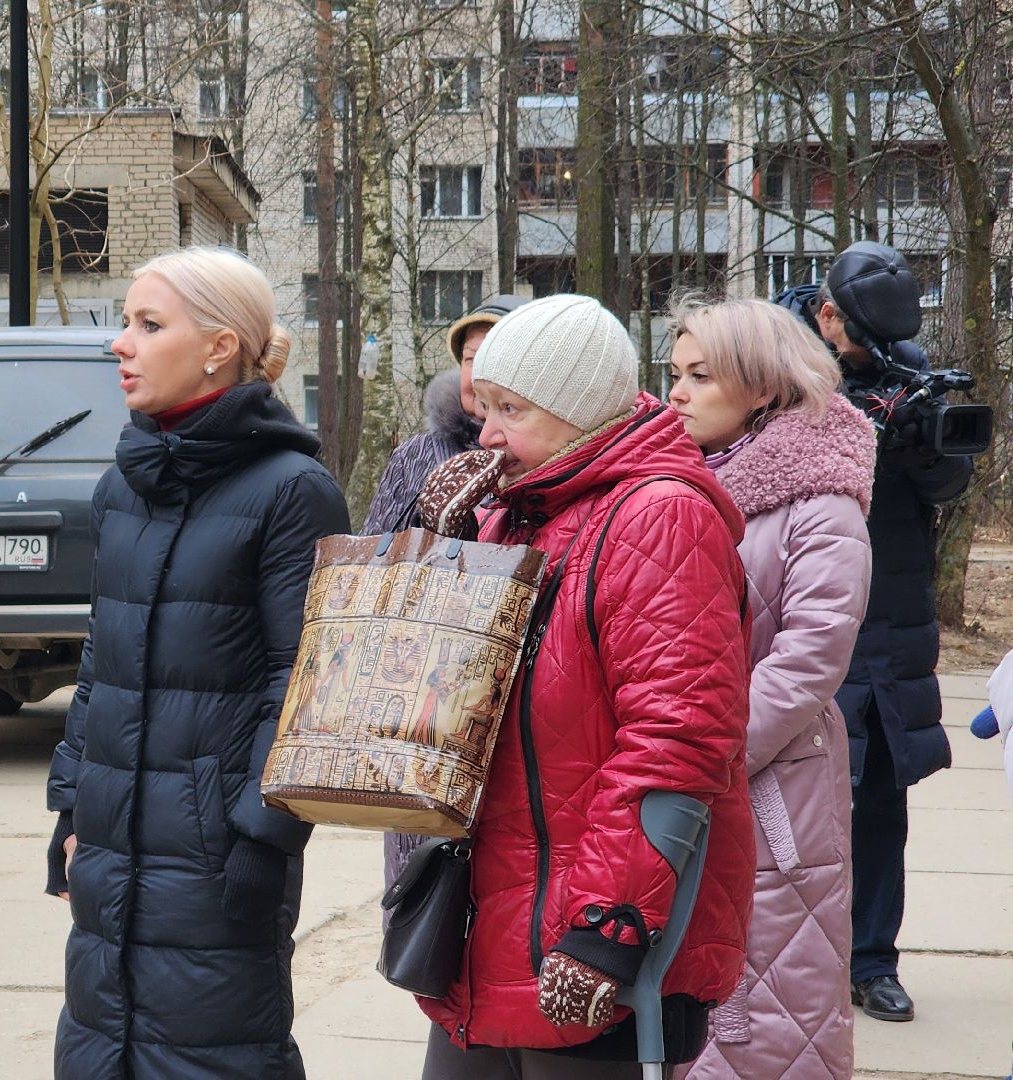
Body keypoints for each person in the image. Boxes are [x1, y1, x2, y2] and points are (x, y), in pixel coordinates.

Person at [416, 294, 753, 1079]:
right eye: (482, 406)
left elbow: (679, 739)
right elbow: (439, 695)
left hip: (589, 937)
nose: (486, 433)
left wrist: (609, 927)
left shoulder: (659, 516)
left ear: (577, 412)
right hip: (493, 920)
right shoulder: (515, 512)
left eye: (510, 408)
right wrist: (443, 548)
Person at [44, 246, 350, 1077]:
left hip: (218, 858)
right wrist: (73, 807)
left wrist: (263, 836)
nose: (122, 344)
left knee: (216, 1056)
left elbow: (307, 683)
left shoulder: (293, 489)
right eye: (124, 324)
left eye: (149, 325)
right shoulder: (121, 488)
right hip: (111, 847)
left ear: (218, 346)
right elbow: (102, 662)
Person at [667, 298, 874, 1079]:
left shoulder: (818, 499)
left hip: (769, 785)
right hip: (678, 776)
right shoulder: (674, 483)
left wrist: (704, 753)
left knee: (768, 1012)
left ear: (759, 387)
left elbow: (814, 652)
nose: (677, 393)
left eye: (699, 375)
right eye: (673, 374)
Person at [781, 242, 974, 1022]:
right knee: (793, 804)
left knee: (882, 800)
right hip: (805, 609)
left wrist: (922, 443)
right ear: (828, 316)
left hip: (889, 612)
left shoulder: (907, 367)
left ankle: (871, 961)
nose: (878, 354)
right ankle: (790, 959)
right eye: (865, 339)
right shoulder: (774, 364)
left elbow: (949, 482)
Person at [363, 293, 527, 931]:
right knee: (422, 904)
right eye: (467, 355)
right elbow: (375, 572)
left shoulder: (540, 464)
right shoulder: (418, 457)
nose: (474, 370)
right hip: (424, 710)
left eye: (491, 355)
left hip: (511, 711)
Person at [362, 293, 529, 534]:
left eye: (495, 359)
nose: (479, 375)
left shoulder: (542, 460)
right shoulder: (415, 455)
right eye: (471, 359)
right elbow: (374, 552)